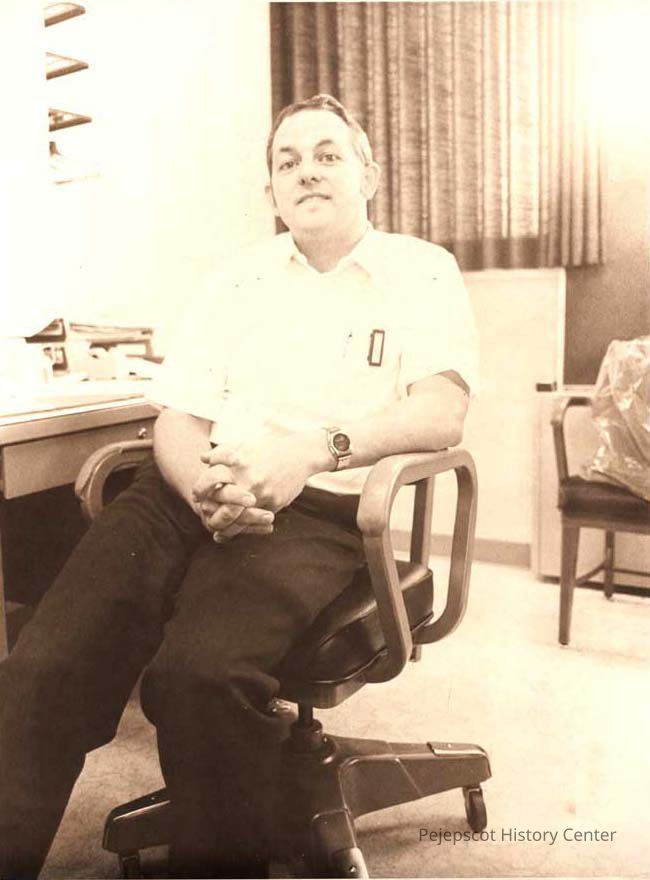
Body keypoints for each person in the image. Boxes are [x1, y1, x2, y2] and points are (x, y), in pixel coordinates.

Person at [0, 94, 478, 879]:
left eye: (327, 154)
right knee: (42, 666)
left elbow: (440, 411)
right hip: (189, 493)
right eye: (287, 162)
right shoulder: (236, 278)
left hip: (317, 511)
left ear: (369, 174)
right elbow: (178, 418)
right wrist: (203, 488)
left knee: (201, 678)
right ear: (271, 192)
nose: (306, 171)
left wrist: (309, 454)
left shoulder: (420, 270)